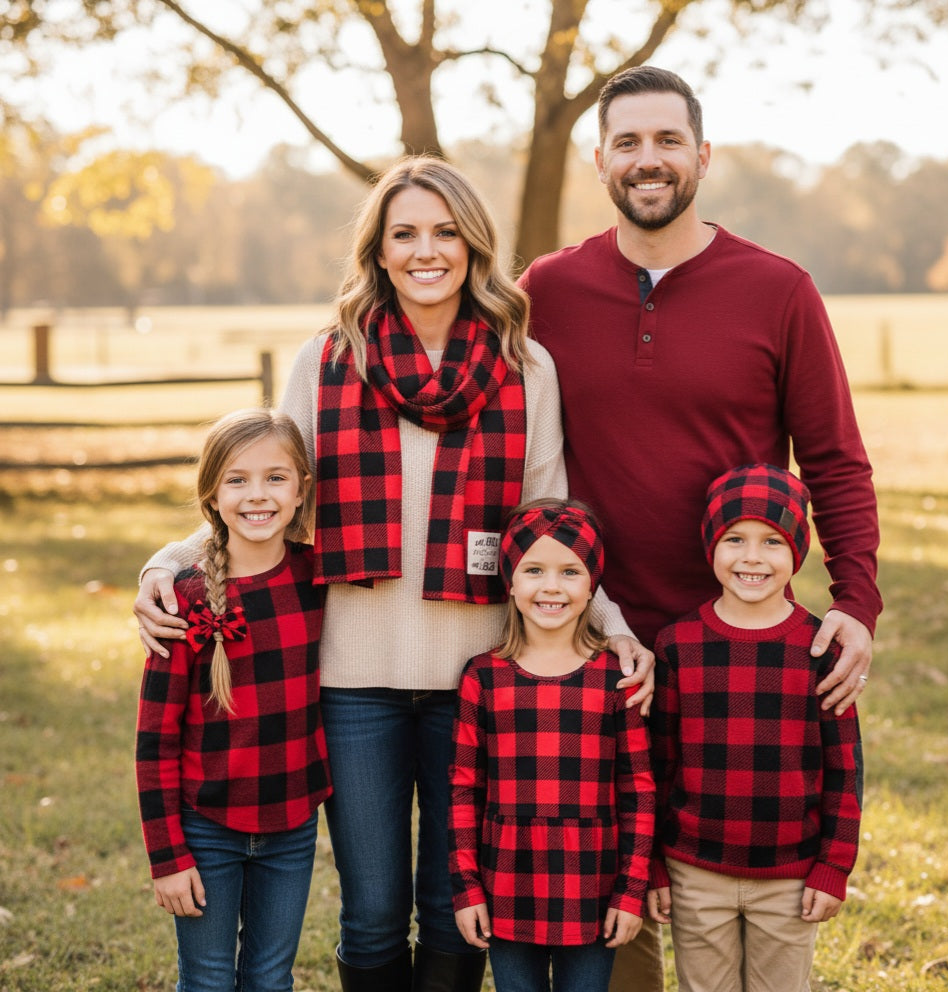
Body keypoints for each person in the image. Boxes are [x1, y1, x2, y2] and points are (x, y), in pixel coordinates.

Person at [133, 157, 646, 992]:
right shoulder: (327, 361)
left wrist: (613, 630)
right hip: (353, 686)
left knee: (454, 906)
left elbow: (548, 527)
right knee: (372, 910)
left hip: (480, 683)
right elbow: (265, 496)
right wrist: (167, 561)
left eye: (445, 232)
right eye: (404, 233)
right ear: (377, 249)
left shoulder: (526, 366)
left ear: (473, 246)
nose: (425, 251)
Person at [518, 65, 882, 990]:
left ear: (702, 155)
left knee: (737, 887)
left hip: (738, 647)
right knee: (618, 890)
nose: (649, 160)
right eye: (629, 143)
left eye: (668, 140)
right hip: (595, 637)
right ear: (600, 160)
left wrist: (856, 604)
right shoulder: (547, 291)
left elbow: (833, 459)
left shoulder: (776, 288)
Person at [135, 407, 332, 992]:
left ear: (302, 490)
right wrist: (168, 857)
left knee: (272, 978)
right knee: (209, 977)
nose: (258, 496)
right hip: (207, 828)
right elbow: (154, 743)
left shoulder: (320, 580)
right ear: (212, 495)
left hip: (292, 825)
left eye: (276, 478)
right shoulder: (183, 602)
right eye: (237, 480)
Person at [646, 463, 863, 992]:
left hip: (790, 875)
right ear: (710, 547)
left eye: (772, 541)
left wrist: (833, 866)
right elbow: (656, 766)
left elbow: (845, 771)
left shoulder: (821, 650)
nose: (751, 557)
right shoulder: (677, 645)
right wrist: (652, 866)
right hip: (696, 870)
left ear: (797, 551)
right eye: (734, 539)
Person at [449, 499, 655, 992]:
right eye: (534, 570)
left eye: (570, 572)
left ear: (591, 586)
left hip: (591, 889)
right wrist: (467, 889)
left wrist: (629, 894)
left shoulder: (616, 679)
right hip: (506, 889)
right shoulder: (484, 676)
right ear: (512, 581)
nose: (551, 587)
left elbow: (639, 792)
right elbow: (462, 793)